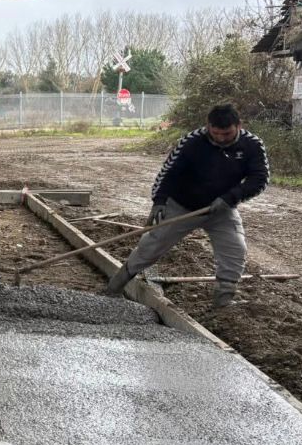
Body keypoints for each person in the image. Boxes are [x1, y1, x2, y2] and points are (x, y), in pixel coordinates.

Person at [106, 102, 269, 307]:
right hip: (181, 205)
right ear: (208, 125)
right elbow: (169, 172)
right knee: (151, 246)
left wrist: (230, 198)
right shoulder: (192, 142)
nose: (221, 138)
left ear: (239, 126)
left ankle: (223, 301)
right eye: (216, 133)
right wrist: (159, 201)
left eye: (227, 134)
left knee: (235, 249)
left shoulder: (252, 145)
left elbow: (260, 179)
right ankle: (114, 287)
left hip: (221, 209)